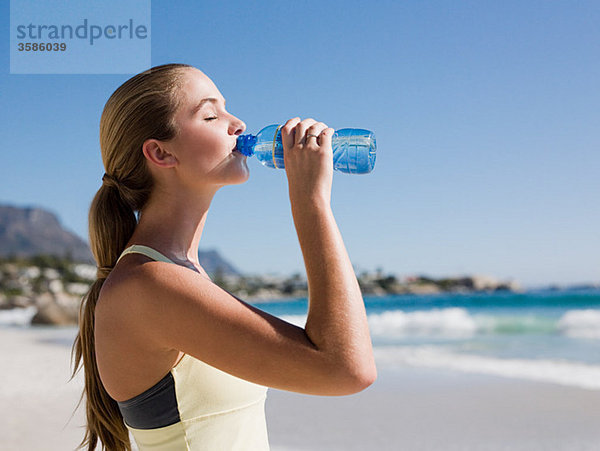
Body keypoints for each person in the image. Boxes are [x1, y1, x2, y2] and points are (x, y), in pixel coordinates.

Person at [71, 63, 376, 451]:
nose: (238, 124)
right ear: (161, 152)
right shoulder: (150, 284)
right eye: (211, 114)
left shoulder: (180, 276)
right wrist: (311, 201)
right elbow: (347, 370)